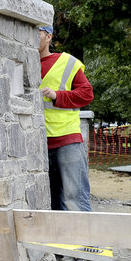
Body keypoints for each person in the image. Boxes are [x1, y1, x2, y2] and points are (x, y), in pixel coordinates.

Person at [38, 25, 94, 212]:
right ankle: (62, 242)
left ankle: (85, 241)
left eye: (36, 33)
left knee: (75, 200)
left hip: (66, 140)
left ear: (48, 37)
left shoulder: (66, 61)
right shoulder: (21, 63)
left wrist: (57, 96)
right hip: (38, 144)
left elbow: (87, 94)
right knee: (53, 203)